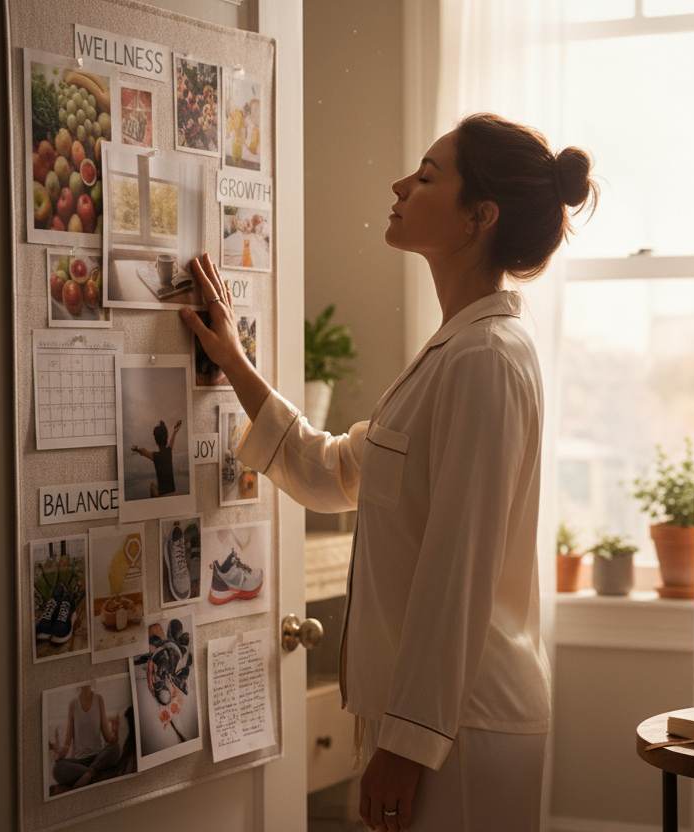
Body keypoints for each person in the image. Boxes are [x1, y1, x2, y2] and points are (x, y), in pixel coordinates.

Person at [181, 112, 595, 832]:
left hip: (461, 729)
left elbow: (456, 571)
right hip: (434, 722)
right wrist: (235, 364)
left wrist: (406, 746)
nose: (401, 184)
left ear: (480, 217)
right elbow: (332, 473)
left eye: (429, 176)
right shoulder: (451, 354)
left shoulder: (486, 361)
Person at [49, 684, 122, 792]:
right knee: (57, 769)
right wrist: (59, 753)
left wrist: (115, 731)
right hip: (79, 763)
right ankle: (92, 774)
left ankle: (88, 774)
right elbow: (67, 744)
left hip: (98, 757)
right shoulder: (73, 704)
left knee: (115, 748)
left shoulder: (99, 699)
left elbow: (109, 740)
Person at [130, 419, 182, 497]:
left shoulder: (155, 456)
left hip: (162, 492)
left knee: (152, 486)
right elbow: (171, 441)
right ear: (166, 438)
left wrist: (136, 449)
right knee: (154, 486)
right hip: (172, 490)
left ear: (156, 440)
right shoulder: (168, 452)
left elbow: (144, 451)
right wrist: (175, 431)